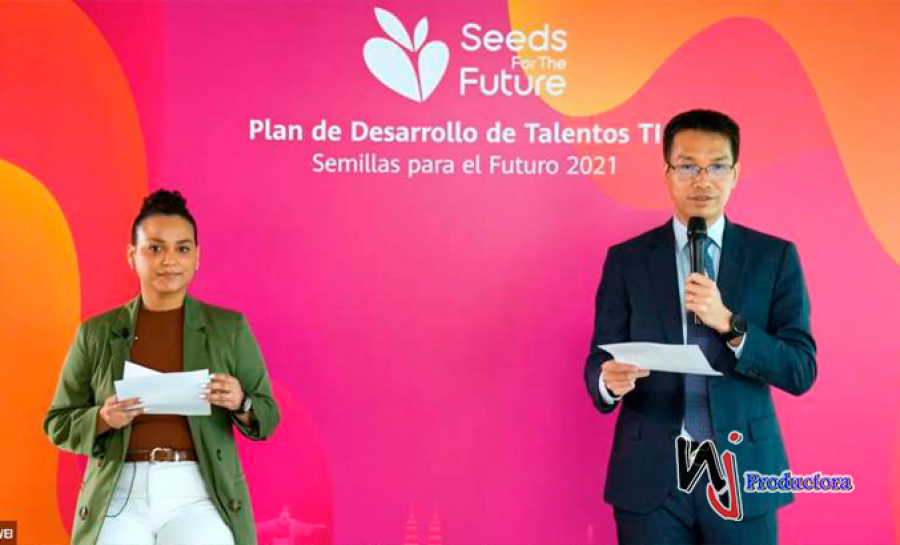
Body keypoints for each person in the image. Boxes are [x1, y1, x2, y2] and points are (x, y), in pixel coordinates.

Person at [584, 109, 816, 544]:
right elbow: (600, 356)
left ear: (736, 173)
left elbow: (800, 370)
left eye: (717, 166)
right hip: (652, 474)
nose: (702, 180)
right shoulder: (627, 260)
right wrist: (607, 381)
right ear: (667, 173)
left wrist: (729, 323)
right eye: (688, 167)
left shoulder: (775, 257)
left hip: (741, 470)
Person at [44, 189, 280, 545]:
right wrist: (103, 418)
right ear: (132, 255)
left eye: (182, 249)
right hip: (117, 490)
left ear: (197, 257)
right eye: (154, 248)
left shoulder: (228, 328)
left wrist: (240, 402)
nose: (169, 260)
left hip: (199, 492)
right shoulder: (96, 332)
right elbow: (57, 422)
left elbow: (268, 416)